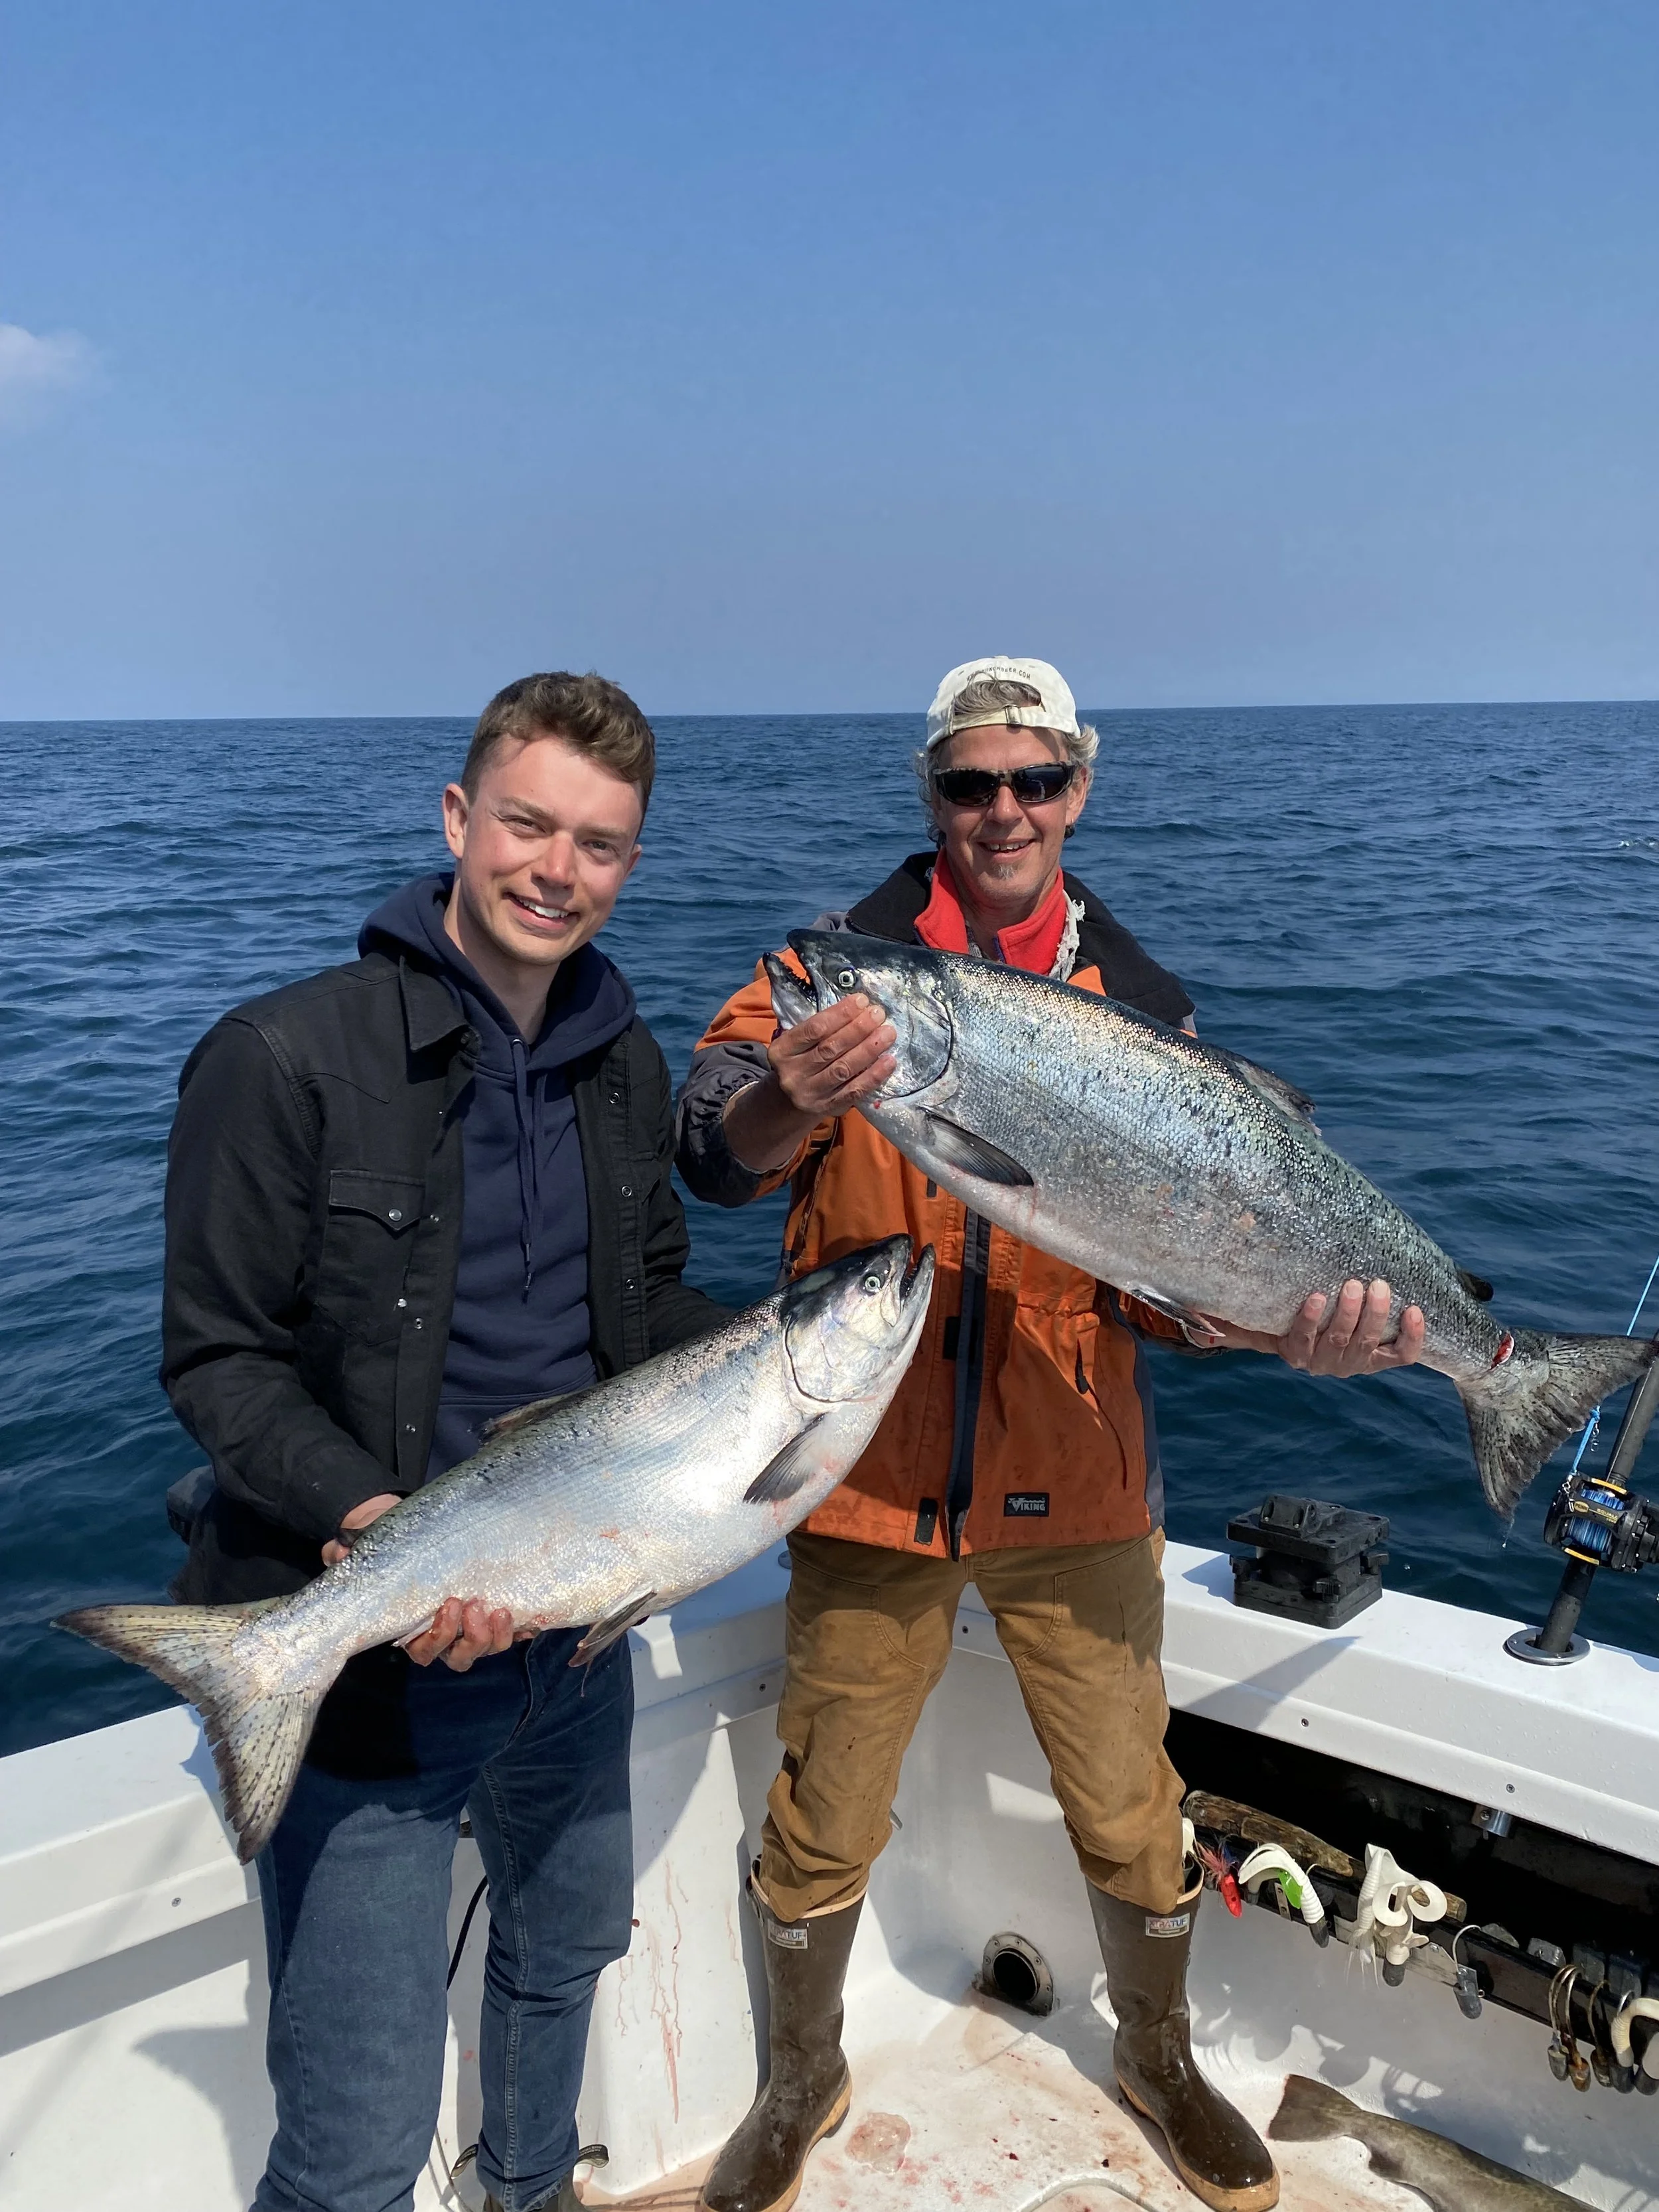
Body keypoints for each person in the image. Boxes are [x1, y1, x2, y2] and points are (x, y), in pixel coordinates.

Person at [675, 655, 1425, 2212]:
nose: (1001, 809)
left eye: (1031, 778)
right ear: (931, 794)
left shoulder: (1140, 1007)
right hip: (862, 1473)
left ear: (1077, 786)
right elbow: (710, 1146)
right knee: (821, 1808)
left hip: (1076, 1483)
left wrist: (1284, 1328)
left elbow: (1165, 1292)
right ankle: (800, 2074)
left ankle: (1158, 2055)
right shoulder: (829, 971)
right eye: (970, 781)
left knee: (1130, 1802)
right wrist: (791, 1100)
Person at [163, 672, 727, 2212]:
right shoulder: (281, 1056)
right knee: (356, 2132)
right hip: (369, 1658)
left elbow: (649, 1301)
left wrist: (792, 1373)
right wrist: (371, 1524)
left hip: (576, 1622)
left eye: (598, 845)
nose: (557, 870)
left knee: (567, 1956)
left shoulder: (623, 1061)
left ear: (630, 865)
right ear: (458, 817)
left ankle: (526, 2193)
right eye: (528, 825)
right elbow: (216, 1358)